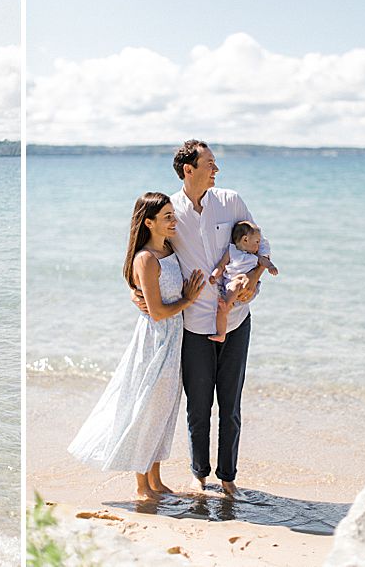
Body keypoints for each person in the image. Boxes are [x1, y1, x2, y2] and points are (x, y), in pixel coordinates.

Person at [135, 140, 270, 498]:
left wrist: (252, 284)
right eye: (210, 163)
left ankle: (228, 478)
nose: (217, 169)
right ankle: (199, 475)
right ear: (188, 169)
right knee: (198, 407)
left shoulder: (231, 201)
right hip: (192, 323)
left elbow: (260, 246)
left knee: (231, 404)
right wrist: (140, 293)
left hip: (236, 318)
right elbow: (147, 251)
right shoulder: (171, 212)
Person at [70, 192, 205, 499]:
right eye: (167, 217)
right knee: (146, 409)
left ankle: (156, 480)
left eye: (174, 214)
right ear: (149, 222)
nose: (174, 221)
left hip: (174, 339)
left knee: (163, 410)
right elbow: (157, 312)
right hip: (156, 341)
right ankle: (142, 486)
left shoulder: (170, 248)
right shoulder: (145, 259)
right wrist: (188, 300)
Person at [208, 221, 278, 343]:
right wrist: (214, 275)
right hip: (230, 286)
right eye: (256, 242)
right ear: (245, 240)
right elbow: (221, 265)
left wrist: (271, 266)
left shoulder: (254, 257)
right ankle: (221, 334)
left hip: (248, 290)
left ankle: (227, 304)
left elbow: (264, 261)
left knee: (238, 283)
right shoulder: (231, 251)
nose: (258, 246)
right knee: (222, 311)